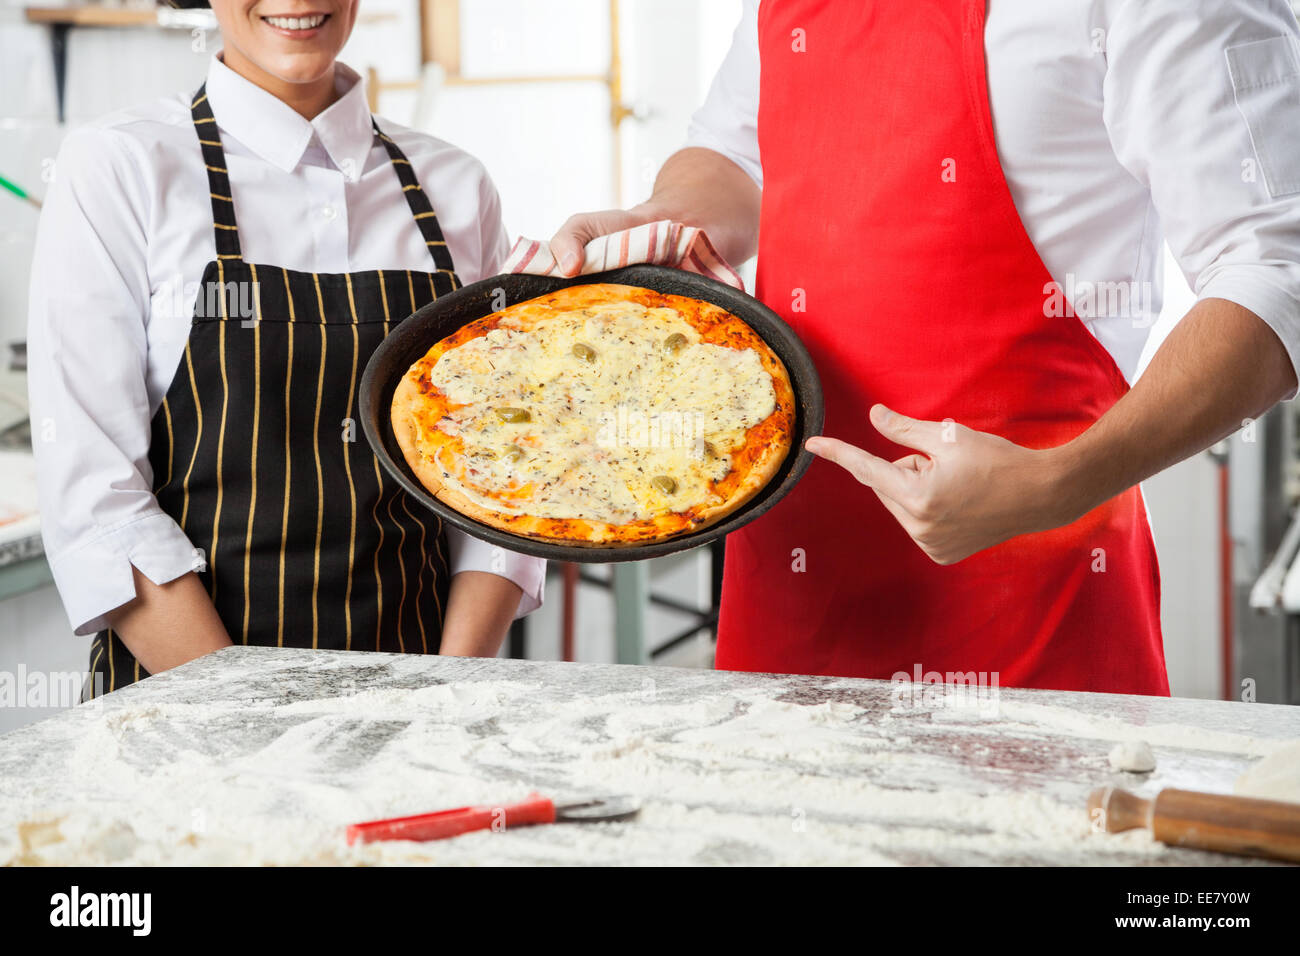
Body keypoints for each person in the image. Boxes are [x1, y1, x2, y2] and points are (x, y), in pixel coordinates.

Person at [550, 0, 1300, 694]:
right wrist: (657, 220)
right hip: (793, 587)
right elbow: (734, 156)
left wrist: (1057, 485)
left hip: (1026, 596)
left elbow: (1276, 269)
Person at [28, 0, 545, 696]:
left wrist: (441, 700)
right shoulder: (121, 165)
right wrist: (258, 730)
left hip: (418, 700)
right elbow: (97, 502)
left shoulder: (456, 186)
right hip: (186, 713)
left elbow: (499, 487)